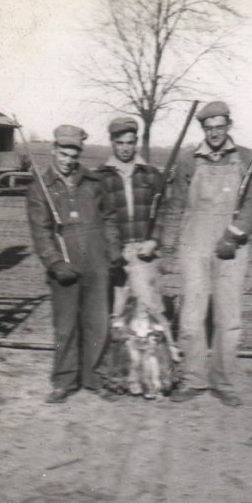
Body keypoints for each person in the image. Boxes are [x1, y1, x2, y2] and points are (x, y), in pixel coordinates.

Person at [163, 100, 252, 407]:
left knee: (228, 317)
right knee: (192, 316)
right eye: (209, 128)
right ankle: (194, 379)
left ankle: (224, 382)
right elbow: (176, 204)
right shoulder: (189, 160)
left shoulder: (247, 159)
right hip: (194, 245)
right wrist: (167, 246)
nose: (215, 133)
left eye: (220, 127)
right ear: (202, 129)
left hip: (230, 248)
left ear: (229, 125)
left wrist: (233, 235)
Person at [26, 124, 121, 403]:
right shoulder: (39, 188)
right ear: (53, 150)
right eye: (63, 154)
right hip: (64, 265)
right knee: (65, 326)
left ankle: (96, 377)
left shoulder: (94, 183)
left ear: (79, 154)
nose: (68, 161)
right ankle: (64, 381)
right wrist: (55, 263)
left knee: (98, 322)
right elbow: (40, 232)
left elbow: (110, 217)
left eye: (73, 155)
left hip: (96, 260)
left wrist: (112, 249)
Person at [97, 116, 180, 364]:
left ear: (136, 143)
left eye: (130, 142)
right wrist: (115, 251)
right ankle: (119, 371)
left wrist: (154, 241)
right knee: (118, 312)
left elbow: (163, 212)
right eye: (120, 142)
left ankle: (161, 369)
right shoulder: (101, 177)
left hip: (145, 253)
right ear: (112, 142)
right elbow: (103, 218)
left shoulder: (151, 175)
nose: (125, 148)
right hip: (117, 255)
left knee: (152, 311)